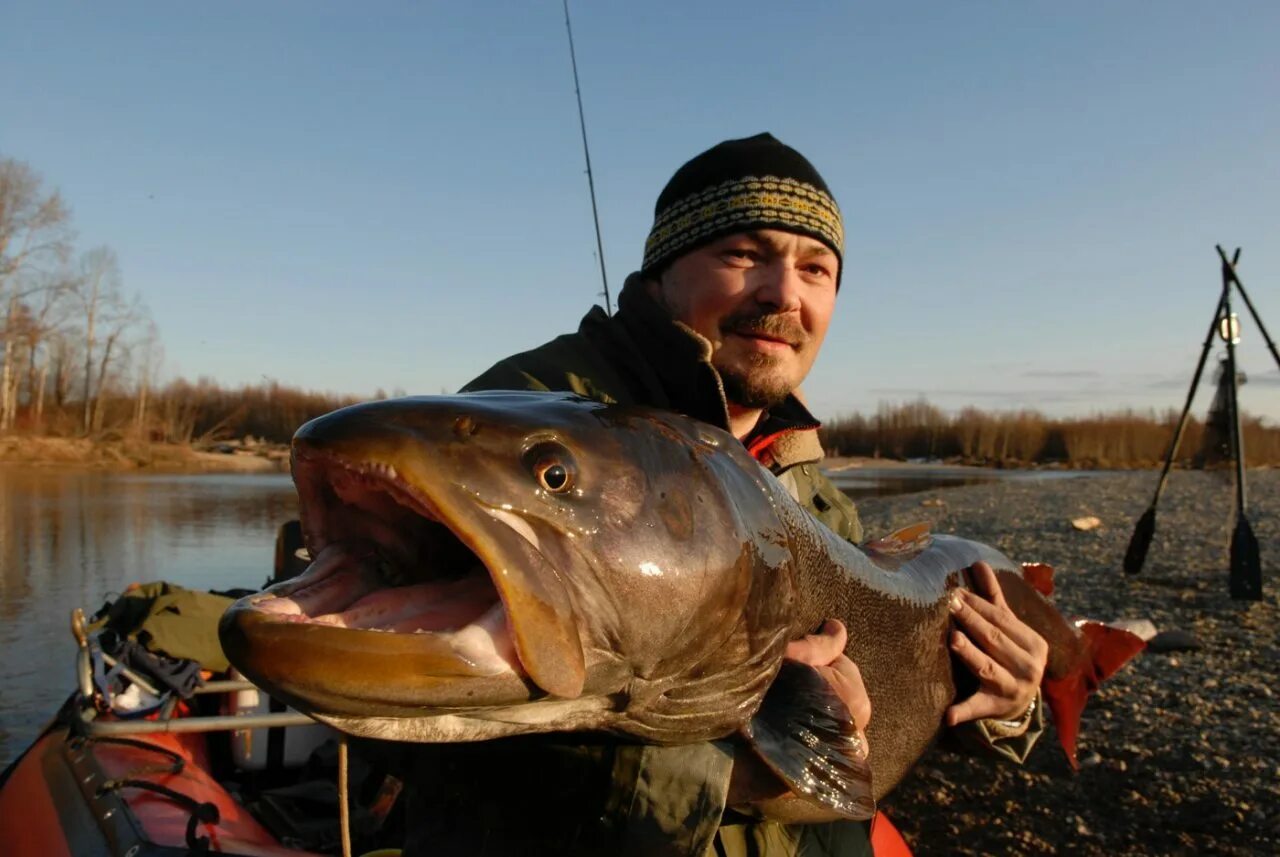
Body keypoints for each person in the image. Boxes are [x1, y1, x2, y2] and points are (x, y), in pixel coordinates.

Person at [400, 133, 1048, 857]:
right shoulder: (526, 425)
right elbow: (397, 703)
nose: (785, 294)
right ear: (660, 274)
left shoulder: (812, 489)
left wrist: (1007, 708)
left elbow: (878, 724)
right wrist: (715, 774)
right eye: (744, 255)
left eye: (816, 268)